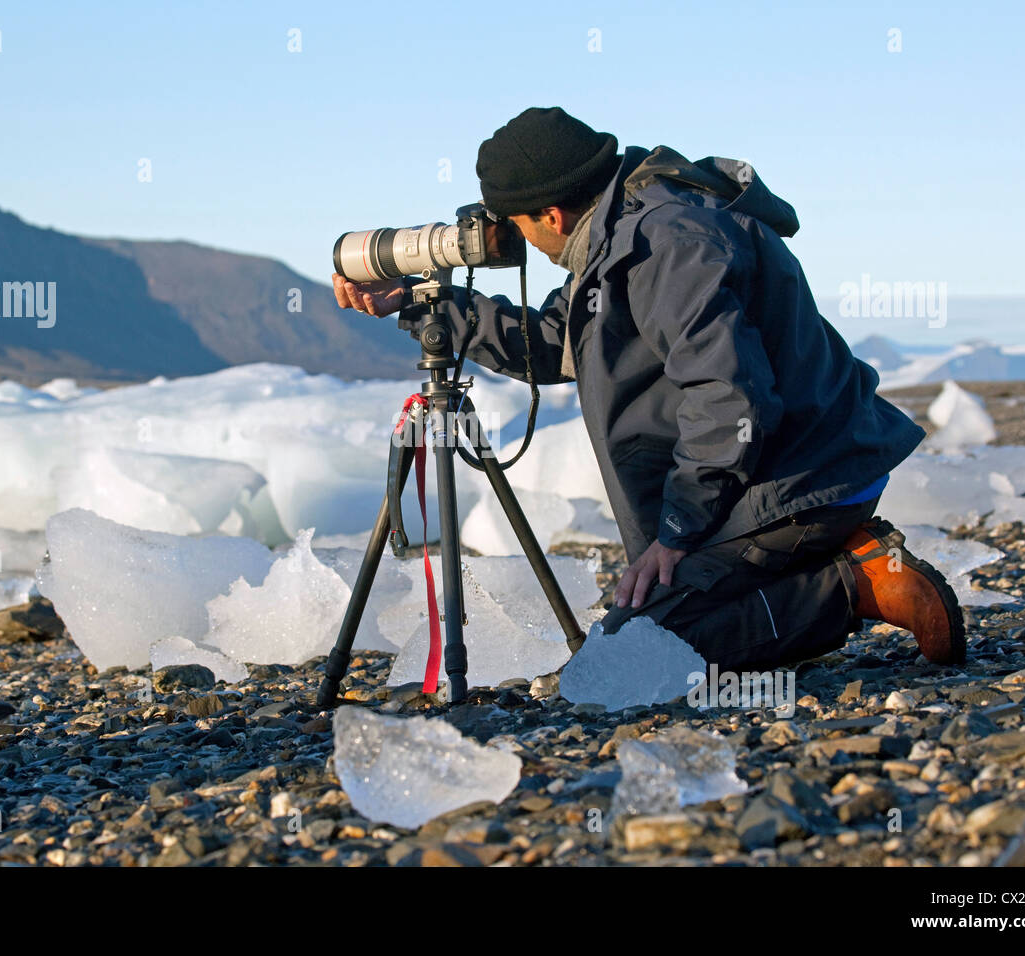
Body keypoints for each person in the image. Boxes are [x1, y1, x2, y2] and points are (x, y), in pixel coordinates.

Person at [331, 106, 964, 671]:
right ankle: (814, 559)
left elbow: (729, 399)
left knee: (637, 657)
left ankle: (856, 583)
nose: (517, 240)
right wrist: (417, 306)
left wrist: (679, 532)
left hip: (804, 476)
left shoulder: (666, 241)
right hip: (782, 474)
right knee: (632, 642)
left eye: (519, 224)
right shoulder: (622, 229)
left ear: (552, 214)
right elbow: (556, 342)